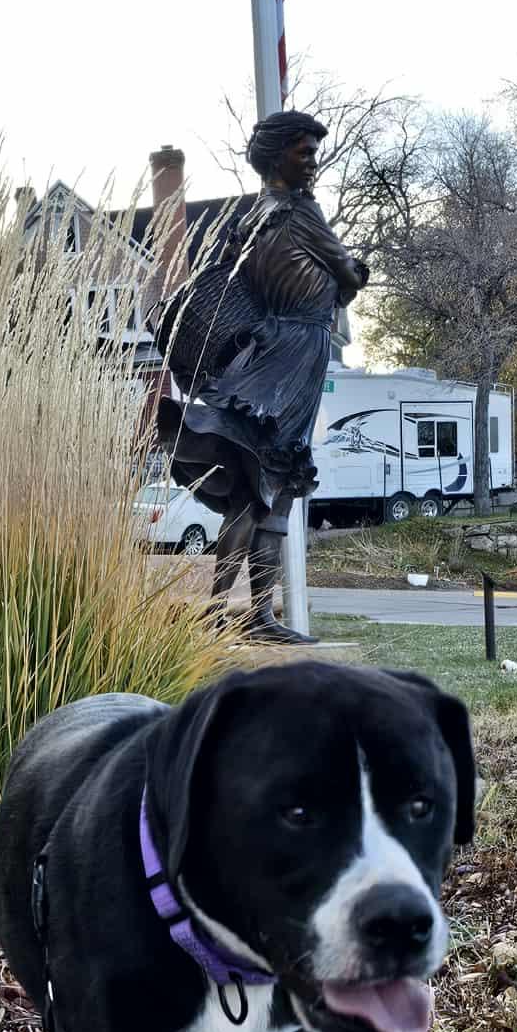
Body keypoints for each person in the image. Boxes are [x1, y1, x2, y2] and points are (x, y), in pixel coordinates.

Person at [157, 110, 369, 642]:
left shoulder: (250, 217)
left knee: (258, 489)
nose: (313, 162)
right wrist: (345, 277)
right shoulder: (300, 213)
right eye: (305, 152)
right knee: (267, 487)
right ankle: (251, 616)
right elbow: (347, 280)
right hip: (294, 351)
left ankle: (240, 612)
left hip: (263, 352)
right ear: (277, 156)